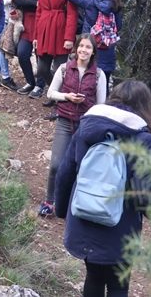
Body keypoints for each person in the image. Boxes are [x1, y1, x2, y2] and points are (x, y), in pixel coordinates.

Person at [54, 80, 151, 297]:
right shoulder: (143, 138)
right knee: (118, 284)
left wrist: (62, 209)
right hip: (120, 225)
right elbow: (144, 192)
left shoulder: (87, 126)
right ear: (144, 105)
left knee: (93, 276)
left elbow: (65, 170)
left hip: (83, 215)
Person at [39, 34, 107, 217]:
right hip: (64, 121)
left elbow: (101, 106)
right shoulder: (63, 69)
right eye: (81, 46)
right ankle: (49, 201)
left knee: (80, 168)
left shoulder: (99, 75)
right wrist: (66, 97)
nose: (84, 50)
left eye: (88, 47)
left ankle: (72, 204)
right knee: (56, 165)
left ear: (93, 52)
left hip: (86, 127)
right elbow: (51, 93)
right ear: (76, 48)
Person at [33, 0, 78, 108]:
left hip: (60, 31)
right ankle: (56, 94)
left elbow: (72, 14)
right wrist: (36, 36)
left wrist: (69, 38)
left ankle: (61, 103)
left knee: (60, 70)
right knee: (42, 69)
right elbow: (39, 11)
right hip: (44, 30)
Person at [64, 0, 123, 88]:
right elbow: (118, 26)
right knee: (104, 82)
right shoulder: (116, 3)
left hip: (90, 45)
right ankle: (103, 103)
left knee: (87, 79)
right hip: (108, 46)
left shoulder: (89, 2)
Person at [12, 0, 45, 96]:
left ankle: (40, 85)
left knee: (41, 56)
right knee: (22, 53)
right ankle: (30, 82)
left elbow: (45, 5)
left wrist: (28, 2)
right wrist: (36, 3)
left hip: (42, 24)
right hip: (26, 24)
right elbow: (16, 0)